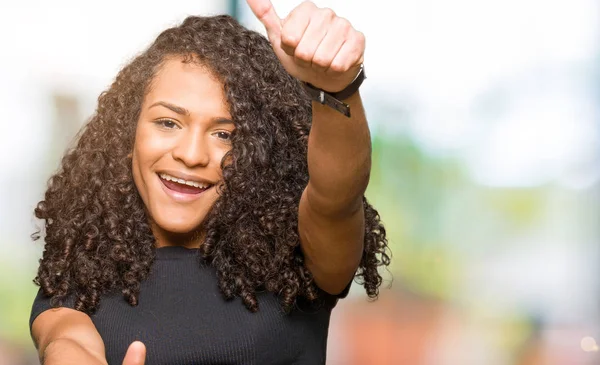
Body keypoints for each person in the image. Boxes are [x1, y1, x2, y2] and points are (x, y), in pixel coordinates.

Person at [29, 0, 390, 364]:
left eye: (224, 134)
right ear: (127, 136)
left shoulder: (297, 259)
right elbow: (66, 341)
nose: (191, 154)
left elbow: (337, 196)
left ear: (262, 152)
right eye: (168, 123)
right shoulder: (82, 273)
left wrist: (336, 89)